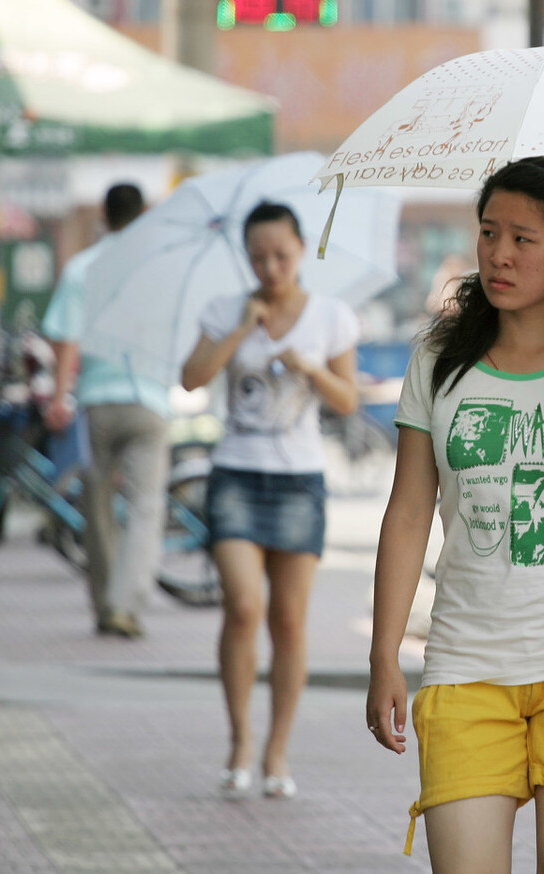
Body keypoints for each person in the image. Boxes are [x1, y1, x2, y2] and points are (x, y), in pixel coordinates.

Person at [366, 156, 544, 873]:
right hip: (463, 666)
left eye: (523, 239)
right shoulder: (440, 359)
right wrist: (384, 654)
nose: (499, 255)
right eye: (489, 233)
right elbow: (407, 511)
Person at [181, 201, 361, 800]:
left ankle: (277, 750)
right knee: (242, 605)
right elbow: (191, 378)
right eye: (258, 256)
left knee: (288, 619)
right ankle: (238, 740)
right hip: (235, 473)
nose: (270, 265)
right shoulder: (225, 309)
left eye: (281, 254)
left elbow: (347, 400)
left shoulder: (330, 316)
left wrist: (307, 366)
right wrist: (242, 328)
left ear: (301, 249)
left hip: (299, 481)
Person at [42, 183, 163, 640]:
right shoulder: (159, 270)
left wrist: (59, 396)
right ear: (143, 215)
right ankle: (126, 603)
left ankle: (104, 603)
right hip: (150, 400)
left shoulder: (82, 268)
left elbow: (66, 338)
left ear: (105, 217)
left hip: (96, 400)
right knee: (146, 506)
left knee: (98, 507)